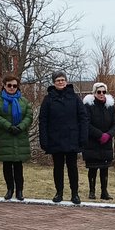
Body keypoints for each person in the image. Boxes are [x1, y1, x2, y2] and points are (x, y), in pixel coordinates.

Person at [39, 71, 88, 204]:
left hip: (72, 138)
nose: (60, 82)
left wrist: (83, 137)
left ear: (66, 81)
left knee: (72, 167)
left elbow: (83, 117)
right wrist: (44, 139)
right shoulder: (48, 99)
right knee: (58, 168)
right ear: (54, 83)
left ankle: (75, 194)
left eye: (62, 80)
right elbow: (43, 120)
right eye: (57, 80)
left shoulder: (75, 97)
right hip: (55, 139)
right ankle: (59, 193)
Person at [0, 74, 33, 201]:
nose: (12, 88)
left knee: (18, 166)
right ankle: (10, 189)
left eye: (15, 85)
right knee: (7, 165)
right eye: (9, 85)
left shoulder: (24, 101)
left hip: (19, 136)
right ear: (4, 86)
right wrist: (9, 126)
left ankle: (19, 191)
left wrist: (20, 127)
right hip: (4, 136)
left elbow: (29, 116)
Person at [83, 82, 115, 200]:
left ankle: (104, 192)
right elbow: (86, 124)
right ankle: (92, 191)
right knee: (93, 169)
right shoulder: (88, 106)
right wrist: (99, 135)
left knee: (105, 169)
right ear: (94, 93)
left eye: (104, 92)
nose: (101, 94)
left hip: (106, 143)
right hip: (92, 142)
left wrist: (108, 135)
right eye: (99, 92)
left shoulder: (110, 107)